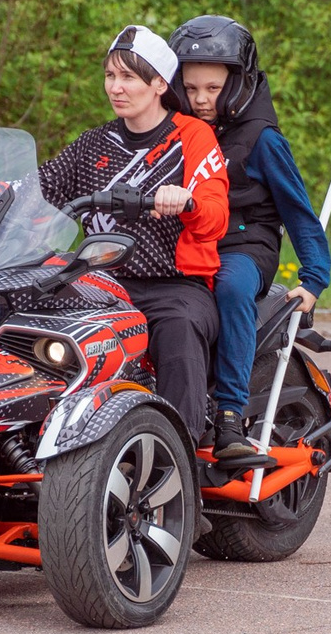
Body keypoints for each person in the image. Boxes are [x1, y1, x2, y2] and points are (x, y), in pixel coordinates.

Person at [34, 25, 230, 454]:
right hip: (99, 284)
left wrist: (188, 201)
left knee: (179, 329)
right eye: (110, 76)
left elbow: (215, 216)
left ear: (159, 84)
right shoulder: (93, 143)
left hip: (172, 286)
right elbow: (36, 189)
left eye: (128, 77)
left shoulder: (191, 136)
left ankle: (181, 457)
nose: (115, 87)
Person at [167, 15, 331, 465]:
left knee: (231, 287)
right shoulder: (173, 130)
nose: (201, 99)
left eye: (213, 88)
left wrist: (314, 279)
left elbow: (298, 211)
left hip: (245, 245)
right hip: (188, 239)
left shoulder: (262, 139)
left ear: (238, 82)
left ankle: (229, 416)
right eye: (191, 88)